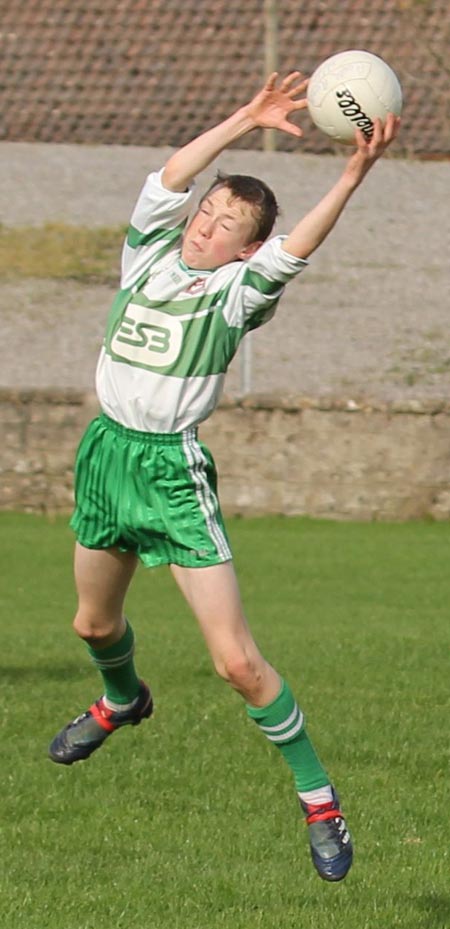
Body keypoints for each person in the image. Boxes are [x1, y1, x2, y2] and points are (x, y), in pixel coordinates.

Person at [49, 71, 400, 882]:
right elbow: (170, 178)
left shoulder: (237, 293)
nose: (202, 227)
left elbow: (298, 246)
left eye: (222, 226)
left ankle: (318, 797)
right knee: (92, 628)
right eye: (204, 214)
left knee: (236, 662)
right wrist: (246, 116)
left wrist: (352, 173)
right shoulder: (144, 256)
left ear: (245, 249)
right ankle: (123, 699)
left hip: (171, 471)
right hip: (106, 454)